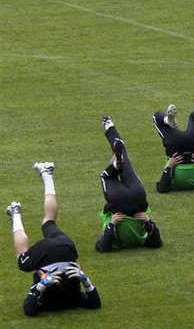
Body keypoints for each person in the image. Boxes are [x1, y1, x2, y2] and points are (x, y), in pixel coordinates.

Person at [6, 162, 101, 317]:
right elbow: (28, 310)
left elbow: (95, 303)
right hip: (46, 254)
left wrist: (85, 280)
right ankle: (15, 212)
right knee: (22, 256)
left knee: (49, 222)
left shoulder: (75, 300)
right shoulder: (47, 303)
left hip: (66, 248)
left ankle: (47, 173)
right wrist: (40, 287)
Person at [96, 116, 163, 252]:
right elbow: (102, 247)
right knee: (106, 177)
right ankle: (115, 162)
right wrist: (112, 224)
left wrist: (147, 221)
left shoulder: (141, 238)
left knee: (123, 157)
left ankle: (109, 125)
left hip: (139, 199)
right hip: (118, 203)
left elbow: (157, 242)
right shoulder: (118, 239)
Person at [151, 93, 194, 193]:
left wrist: (170, 166)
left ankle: (191, 117)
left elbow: (162, 189)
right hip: (180, 151)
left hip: (192, 150)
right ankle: (169, 121)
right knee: (157, 119)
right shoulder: (178, 181)